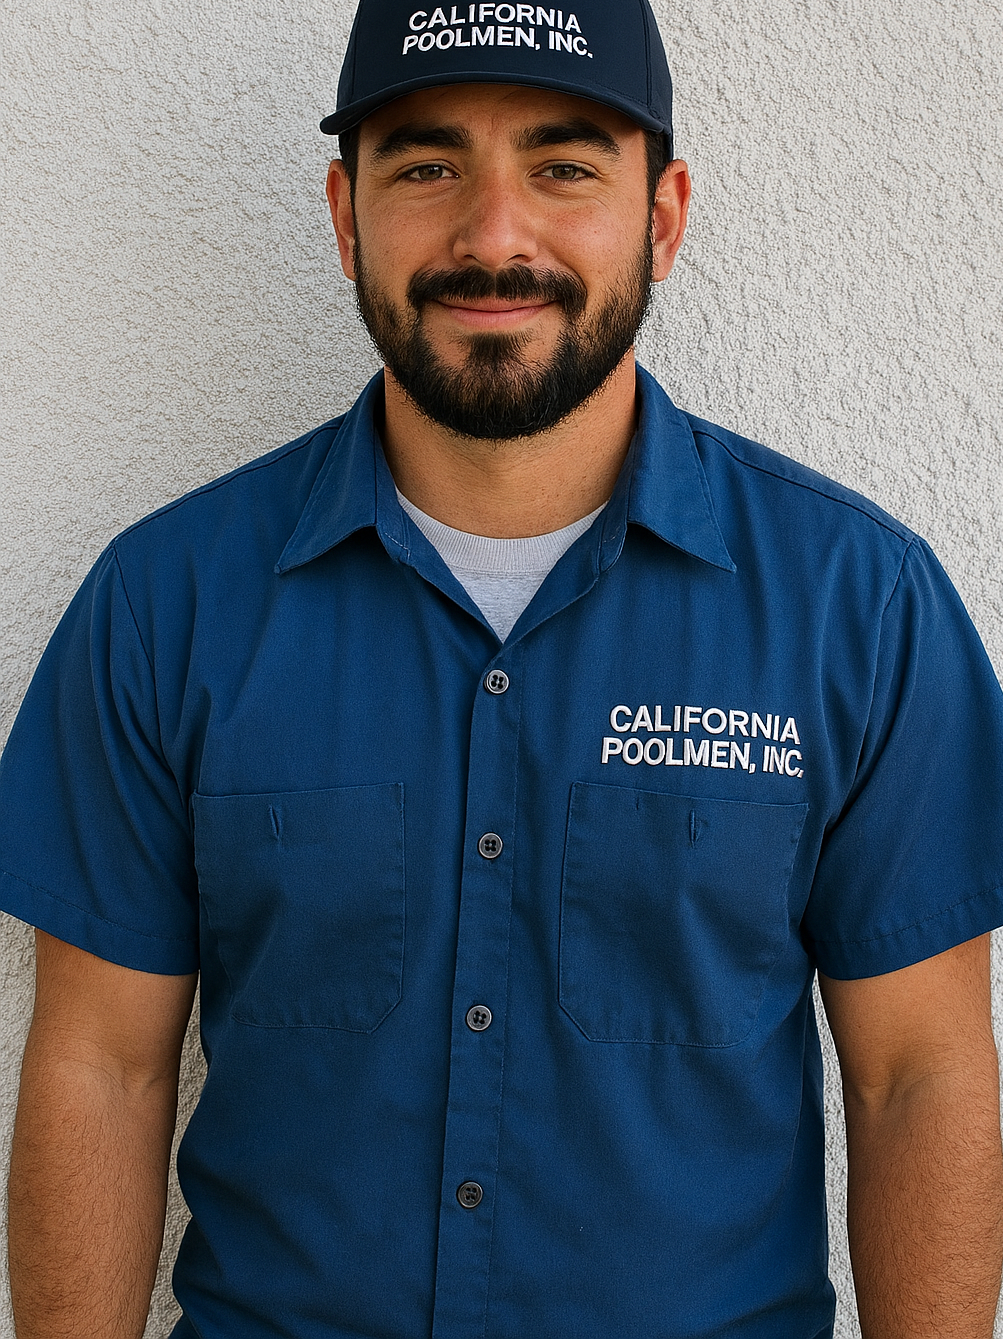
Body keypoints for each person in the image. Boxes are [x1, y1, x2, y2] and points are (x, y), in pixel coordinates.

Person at [2, 0, 1003, 1335]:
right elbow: (101, 1067)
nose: (491, 236)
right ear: (346, 214)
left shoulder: (854, 606)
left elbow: (919, 1078)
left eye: (563, 165)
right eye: (424, 166)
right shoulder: (166, 602)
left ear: (661, 213)